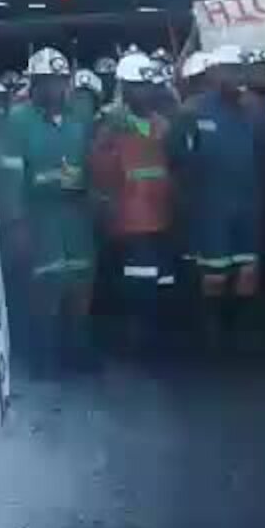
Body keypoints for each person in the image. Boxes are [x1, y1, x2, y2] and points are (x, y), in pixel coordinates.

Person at [0, 47, 97, 376]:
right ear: (35, 84)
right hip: (38, 215)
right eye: (49, 82)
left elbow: (91, 164)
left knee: (80, 280)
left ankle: (77, 349)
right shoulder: (18, 121)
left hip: (75, 213)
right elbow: (9, 177)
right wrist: (16, 224)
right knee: (45, 286)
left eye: (61, 81)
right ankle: (43, 356)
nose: (56, 88)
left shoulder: (77, 118)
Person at [168, 46, 265, 349]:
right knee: (214, 275)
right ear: (213, 73)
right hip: (210, 205)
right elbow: (176, 159)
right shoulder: (192, 111)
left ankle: (239, 328)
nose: (235, 76)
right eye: (228, 69)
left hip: (247, 203)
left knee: (247, 271)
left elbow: (264, 157)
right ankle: (212, 330)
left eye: (240, 70)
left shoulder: (253, 110)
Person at [90, 52, 177, 354]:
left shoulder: (162, 123)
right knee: (139, 282)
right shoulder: (110, 126)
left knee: (162, 281)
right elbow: (99, 172)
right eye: (139, 86)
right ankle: (137, 342)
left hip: (162, 214)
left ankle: (159, 339)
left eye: (149, 86)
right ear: (125, 88)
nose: (147, 92)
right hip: (130, 217)